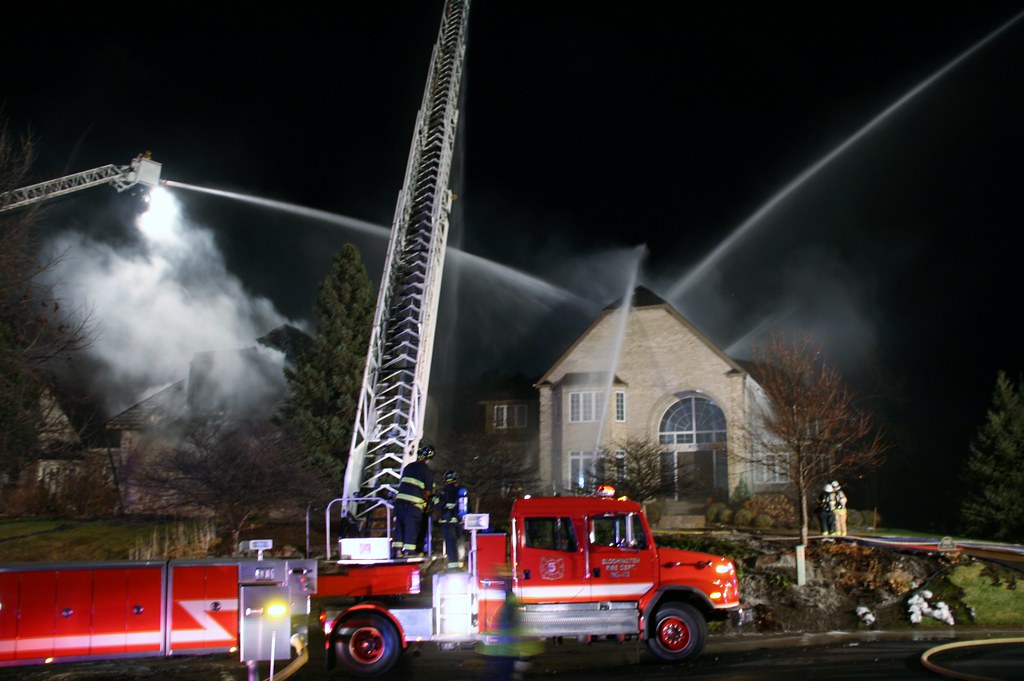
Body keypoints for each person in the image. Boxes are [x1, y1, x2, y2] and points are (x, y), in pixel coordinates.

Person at [392, 445, 435, 557]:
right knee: (411, 526)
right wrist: (428, 504)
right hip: (414, 504)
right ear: (429, 459)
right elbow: (428, 491)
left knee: (400, 526)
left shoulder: (408, 467)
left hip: (400, 502)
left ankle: (397, 550)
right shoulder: (427, 471)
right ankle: (409, 551)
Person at [438, 469, 466, 568]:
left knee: (450, 544)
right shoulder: (461, 491)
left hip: (447, 522)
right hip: (459, 522)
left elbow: (439, 505)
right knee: (460, 543)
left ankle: (453, 566)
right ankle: (461, 564)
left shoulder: (443, 491)